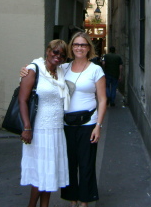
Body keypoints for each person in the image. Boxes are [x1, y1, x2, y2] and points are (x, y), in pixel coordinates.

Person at [20, 32, 107, 207]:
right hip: (65, 124)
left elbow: (103, 99)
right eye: (76, 44)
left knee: (86, 164)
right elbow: (43, 69)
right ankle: (72, 199)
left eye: (83, 45)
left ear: (89, 47)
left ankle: (85, 201)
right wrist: (26, 69)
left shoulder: (95, 69)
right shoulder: (64, 68)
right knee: (69, 163)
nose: (79, 48)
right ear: (71, 47)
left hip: (87, 122)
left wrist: (98, 125)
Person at [19, 39, 69, 207]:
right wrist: (27, 127)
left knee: (50, 175)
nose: (58, 57)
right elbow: (22, 100)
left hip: (56, 130)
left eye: (62, 55)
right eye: (55, 52)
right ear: (48, 51)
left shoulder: (61, 72)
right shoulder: (34, 69)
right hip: (39, 130)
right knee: (41, 175)